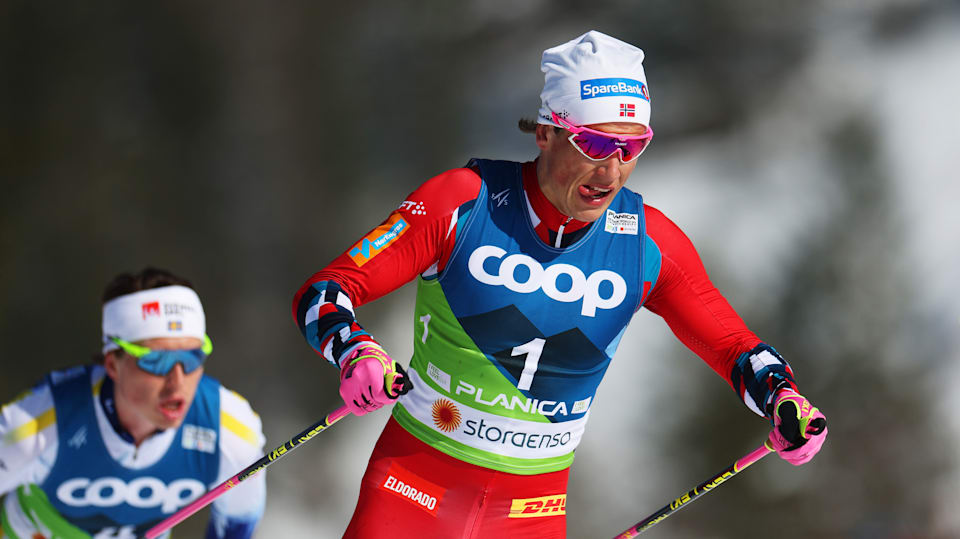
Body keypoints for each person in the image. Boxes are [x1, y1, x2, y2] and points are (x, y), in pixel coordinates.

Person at [292, 30, 828, 538]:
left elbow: (735, 346)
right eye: (594, 143)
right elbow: (326, 292)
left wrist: (783, 397)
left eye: (633, 145)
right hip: (412, 490)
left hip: (531, 513)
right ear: (546, 132)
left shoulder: (646, 242)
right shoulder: (461, 202)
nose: (612, 170)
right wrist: (353, 350)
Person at [0, 268, 266, 539]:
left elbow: (236, 526)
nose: (177, 381)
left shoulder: (230, 434)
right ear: (112, 364)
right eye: (156, 361)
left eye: (192, 358)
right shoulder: (38, 424)